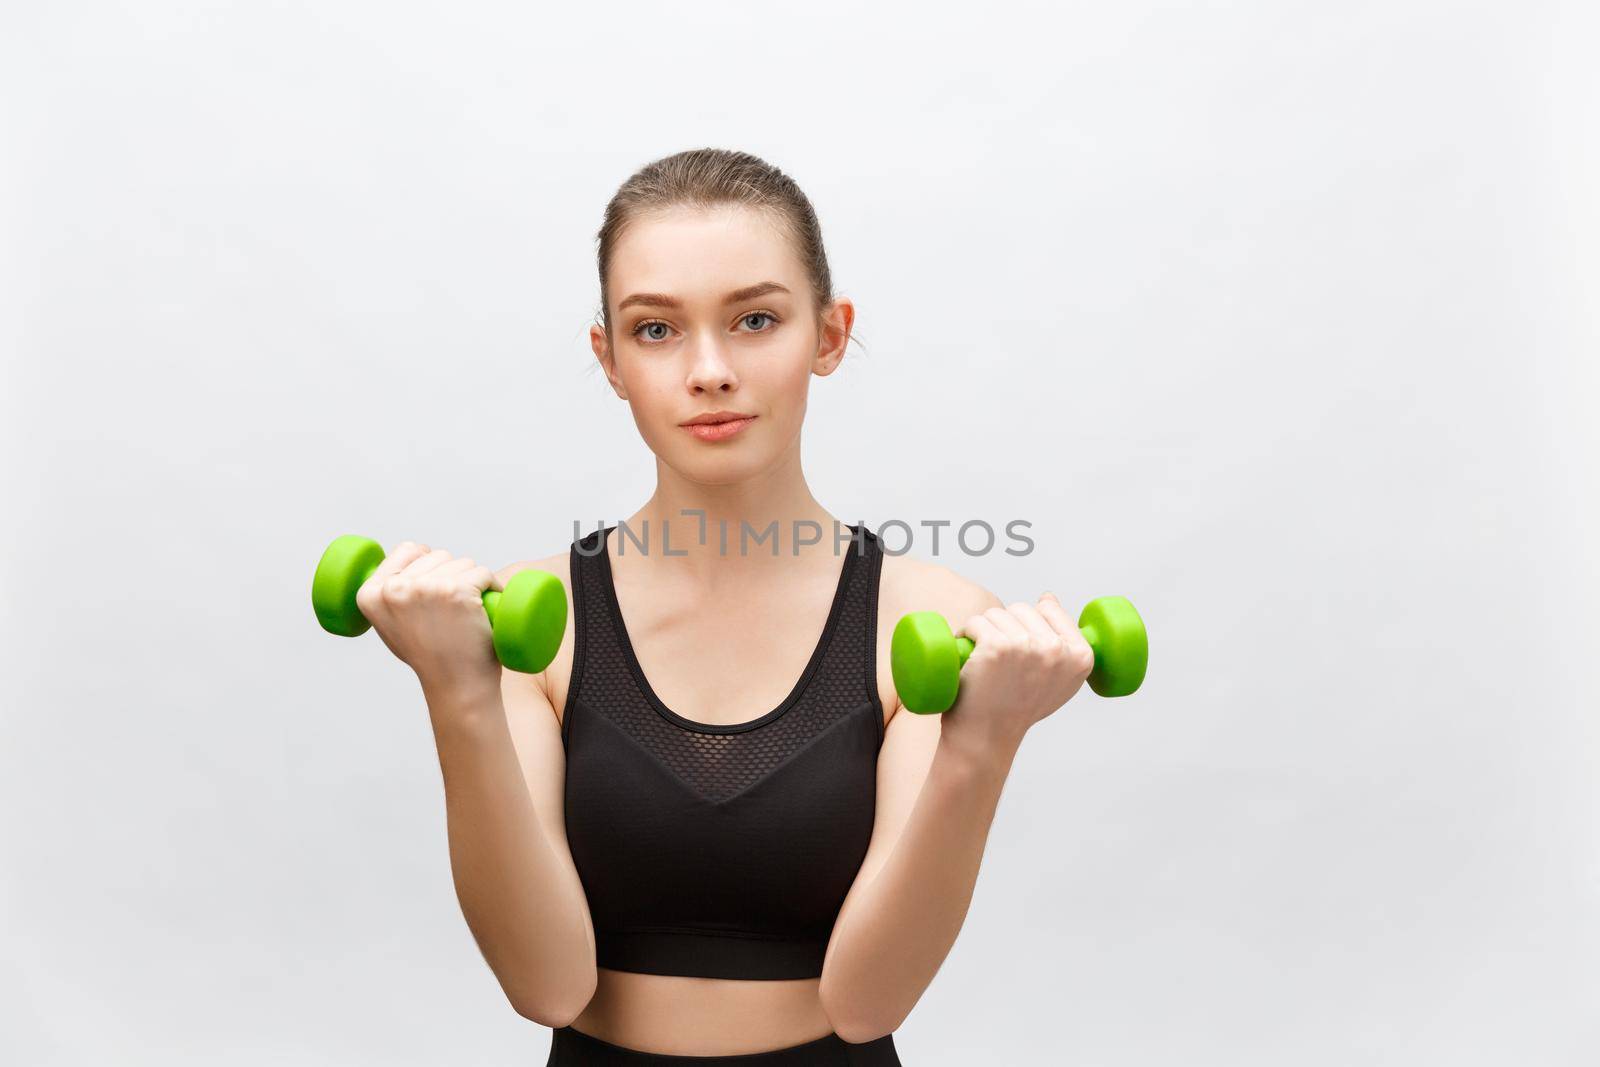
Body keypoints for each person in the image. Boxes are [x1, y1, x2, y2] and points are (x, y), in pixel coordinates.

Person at [354, 148, 1099, 1064]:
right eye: (657, 330)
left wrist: (982, 743)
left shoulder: (933, 625)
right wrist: (456, 692)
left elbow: (868, 1002)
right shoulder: (529, 622)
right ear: (611, 359)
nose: (708, 369)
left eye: (754, 319)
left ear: (828, 336)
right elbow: (545, 984)